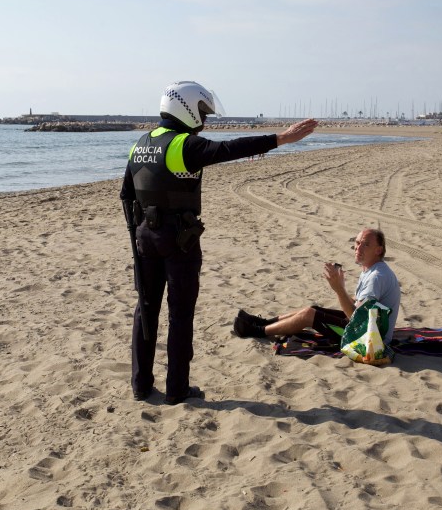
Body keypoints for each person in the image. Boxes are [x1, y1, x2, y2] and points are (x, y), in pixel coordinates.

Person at [121, 81, 317, 404]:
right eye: (202, 112)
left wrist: (138, 230)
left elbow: (126, 195)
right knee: (180, 316)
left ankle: (140, 386)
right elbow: (229, 150)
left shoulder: (140, 144)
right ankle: (176, 390)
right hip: (179, 241)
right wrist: (281, 138)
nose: (205, 120)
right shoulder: (183, 145)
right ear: (186, 108)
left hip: (145, 240)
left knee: (145, 310)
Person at [234, 228, 400, 344]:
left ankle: (257, 331)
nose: (358, 248)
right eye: (357, 243)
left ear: (379, 250)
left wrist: (339, 289)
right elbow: (358, 307)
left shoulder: (377, 277)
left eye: (366, 244)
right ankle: (263, 323)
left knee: (309, 315)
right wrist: (340, 288)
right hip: (367, 329)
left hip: (367, 340)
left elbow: (356, 320)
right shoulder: (371, 270)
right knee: (313, 309)